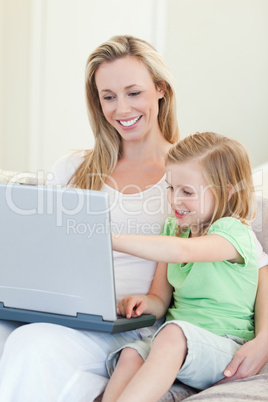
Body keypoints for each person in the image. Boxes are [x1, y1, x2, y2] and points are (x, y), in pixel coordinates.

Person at [0, 35, 266, 402]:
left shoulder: (189, 176)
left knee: (32, 343)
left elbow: (255, 264)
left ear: (160, 90)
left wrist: (264, 340)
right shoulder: (74, 169)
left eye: (134, 93)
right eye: (108, 96)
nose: (121, 109)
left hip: (133, 326)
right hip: (70, 313)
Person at [102, 132, 260, 401]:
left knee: (173, 334)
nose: (175, 200)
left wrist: (106, 238)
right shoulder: (174, 230)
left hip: (224, 344)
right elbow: (160, 300)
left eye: (187, 192)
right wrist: (143, 301)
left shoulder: (232, 233)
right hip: (175, 343)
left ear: (227, 193)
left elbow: (182, 251)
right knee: (131, 353)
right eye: (171, 188)